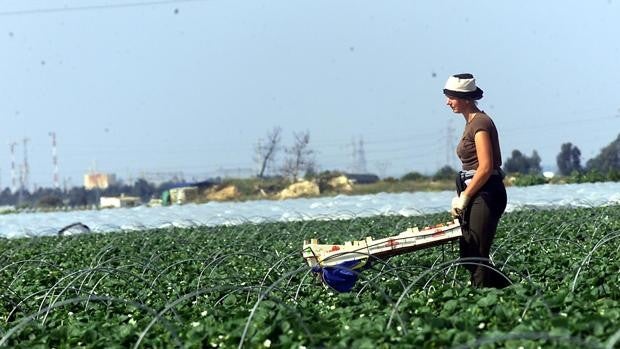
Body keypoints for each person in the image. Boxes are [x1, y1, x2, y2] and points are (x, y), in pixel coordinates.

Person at [443, 73, 510, 288]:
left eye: (451, 97)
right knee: (468, 253)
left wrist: (466, 196)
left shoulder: (480, 123)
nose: (448, 102)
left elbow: (486, 166)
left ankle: (483, 299)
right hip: (476, 191)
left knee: (477, 254)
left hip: (486, 192)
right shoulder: (470, 123)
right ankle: (512, 292)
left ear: (465, 98)